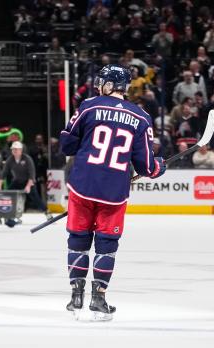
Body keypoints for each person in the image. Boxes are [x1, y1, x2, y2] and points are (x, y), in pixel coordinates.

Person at [58, 64, 165, 320]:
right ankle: (98, 298)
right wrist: (159, 167)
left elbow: (67, 144)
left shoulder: (89, 105)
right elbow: (146, 166)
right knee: (106, 246)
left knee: (78, 239)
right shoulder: (141, 116)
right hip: (114, 192)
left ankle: (76, 296)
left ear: (107, 85)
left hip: (82, 185)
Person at [0, 141, 46, 212]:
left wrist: (28, 186)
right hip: (17, 181)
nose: (14, 151)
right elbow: (4, 173)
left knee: (35, 198)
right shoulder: (10, 159)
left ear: (21, 150)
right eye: (13, 149)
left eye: (16, 149)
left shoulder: (27, 159)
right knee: (8, 194)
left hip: (28, 181)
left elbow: (32, 174)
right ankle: (7, 213)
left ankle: (46, 212)